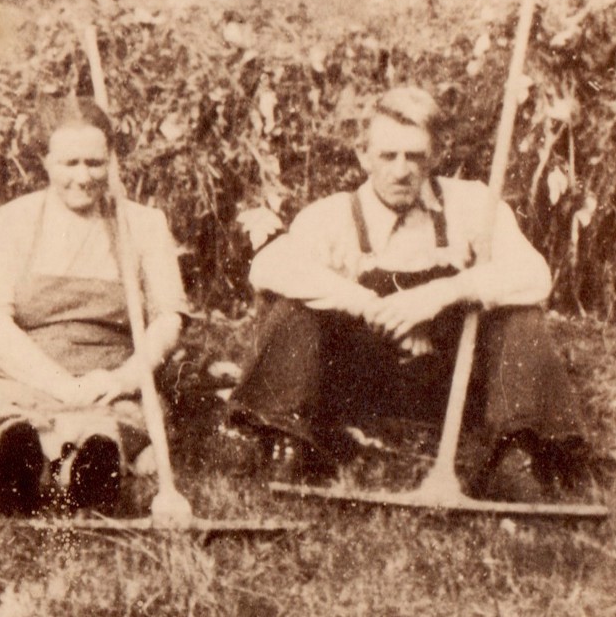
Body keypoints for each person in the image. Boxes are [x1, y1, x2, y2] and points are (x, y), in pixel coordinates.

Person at [226, 85, 593, 499]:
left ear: (434, 155)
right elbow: (269, 267)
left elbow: (534, 274)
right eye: (388, 156)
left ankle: (518, 450)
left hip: (451, 382)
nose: (401, 171)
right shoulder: (332, 216)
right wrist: (368, 304)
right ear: (363, 155)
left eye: (415, 156)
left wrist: (441, 294)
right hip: (360, 381)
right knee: (292, 311)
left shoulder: (473, 205)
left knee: (520, 316)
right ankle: (282, 439)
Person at [0, 96, 187, 516]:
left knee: (109, 423)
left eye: (95, 163)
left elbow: (168, 317)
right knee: (12, 419)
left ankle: (89, 468)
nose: (83, 177)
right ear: (44, 161)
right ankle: (20, 463)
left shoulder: (143, 225)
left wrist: (125, 377)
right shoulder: (7, 223)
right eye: (70, 163)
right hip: (20, 371)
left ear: (111, 160)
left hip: (106, 374)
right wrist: (62, 386)